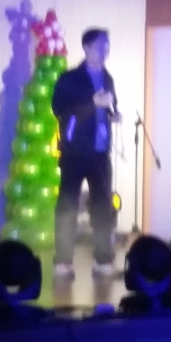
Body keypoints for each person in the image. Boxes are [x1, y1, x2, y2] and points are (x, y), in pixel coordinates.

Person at [50, 28, 120, 282]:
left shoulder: (107, 77)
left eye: (107, 46)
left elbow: (110, 105)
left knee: (103, 208)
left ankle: (103, 261)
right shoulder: (70, 78)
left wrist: (113, 114)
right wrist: (92, 104)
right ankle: (63, 262)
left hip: (101, 152)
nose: (105, 51)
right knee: (68, 206)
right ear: (87, 48)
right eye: (101, 46)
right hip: (75, 151)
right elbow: (59, 109)